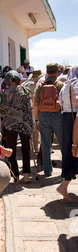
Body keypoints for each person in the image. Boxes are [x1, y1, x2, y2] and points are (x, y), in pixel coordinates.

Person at [0, 70, 34, 182]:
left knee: (10, 151)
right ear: (17, 79)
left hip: (9, 124)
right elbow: (30, 108)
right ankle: (26, 175)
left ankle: (15, 176)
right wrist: (31, 122)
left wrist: (6, 118)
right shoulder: (25, 91)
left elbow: (0, 110)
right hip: (25, 123)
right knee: (26, 149)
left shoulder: (2, 93)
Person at [34, 62, 64, 177]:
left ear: (47, 72)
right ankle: (65, 170)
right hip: (57, 115)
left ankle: (47, 171)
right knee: (63, 143)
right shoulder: (60, 85)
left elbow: (36, 104)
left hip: (43, 116)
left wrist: (36, 120)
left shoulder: (41, 86)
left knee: (46, 144)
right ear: (57, 72)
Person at [56, 65, 78, 201]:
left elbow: (60, 103)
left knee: (68, 151)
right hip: (73, 119)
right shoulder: (75, 85)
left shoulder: (65, 86)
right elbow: (76, 101)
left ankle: (64, 184)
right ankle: (64, 185)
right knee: (73, 151)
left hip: (65, 118)